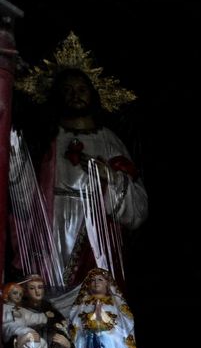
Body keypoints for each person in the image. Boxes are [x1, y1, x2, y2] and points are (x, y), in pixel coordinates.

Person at [10, 33, 147, 286]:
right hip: (52, 230)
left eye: (81, 89)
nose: (75, 95)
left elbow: (138, 209)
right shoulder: (47, 139)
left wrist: (110, 177)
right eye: (67, 90)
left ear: (94, 94)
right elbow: (24, 198)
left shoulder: (109, 140)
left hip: (95, 235)